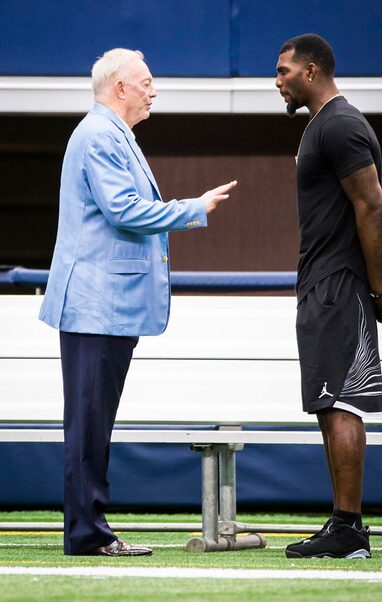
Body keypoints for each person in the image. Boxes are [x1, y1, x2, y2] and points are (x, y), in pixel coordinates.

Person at [39, 48, 237, 557]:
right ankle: (87, 533)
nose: (154, 90)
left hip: (103, 306)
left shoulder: (111, 134)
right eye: (146, 82)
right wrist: (194, 208)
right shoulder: (101, 134)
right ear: (120, 87)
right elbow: (124, 210)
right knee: (88, 425)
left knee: (92, 424)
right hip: (95, 306)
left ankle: (89, 529)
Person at [275, 34, 382, 559]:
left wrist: (376, 290)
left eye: (284, 71)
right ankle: (342, 525)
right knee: (328, 405)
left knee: (341, 402)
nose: (277, 80)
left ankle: (349, 528)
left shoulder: (341, 124)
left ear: (311, 71)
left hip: (341, 285)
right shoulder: (321, 125)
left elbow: (374, 208)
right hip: (323, 284)